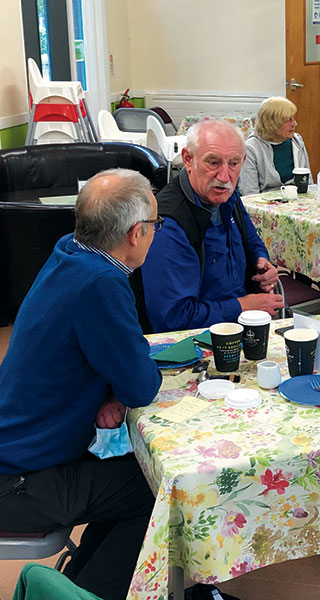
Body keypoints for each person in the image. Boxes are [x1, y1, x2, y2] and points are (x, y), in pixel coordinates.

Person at [0, 169, 163, 600]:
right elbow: (142, 385)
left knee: (133, 478)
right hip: (19, 479)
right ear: (134, 233)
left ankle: (76, 585)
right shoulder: (101, 283)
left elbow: (111, 363)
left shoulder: (70, 250)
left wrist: (113, 388)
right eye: (154, 227)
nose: (154, 236)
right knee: (158, 488)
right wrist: (122, 384)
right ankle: (85, 594)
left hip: (18, 449)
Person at [141, 119, 283, 332]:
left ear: (243, 160)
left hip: (239, 326)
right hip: (198, 341)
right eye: (213, 162)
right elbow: (172, 319)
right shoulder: (167, 226)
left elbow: (251, 238)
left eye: (234, 163)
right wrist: (242, 306)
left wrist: (261, 262)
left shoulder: (226, 194)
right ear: (188, 159)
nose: (225, 176)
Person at [239, 96, 312, 194]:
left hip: (297, 203)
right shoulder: (251, 148)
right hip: (264, 205)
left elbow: (308, 183)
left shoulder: (296, 141)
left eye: (293, 118)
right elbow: (249, 193)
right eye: (287, 120)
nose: (294, 123)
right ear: (271, 123)